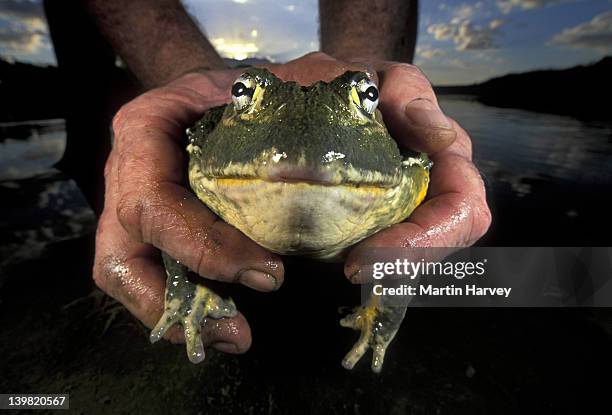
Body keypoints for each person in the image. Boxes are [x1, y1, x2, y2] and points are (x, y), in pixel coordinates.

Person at [48, 0, 491, 355]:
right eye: (243, 92)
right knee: (94, 149)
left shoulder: (400, 161)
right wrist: (186, 279)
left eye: (367, 98)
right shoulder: (201, 141)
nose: (301, 157)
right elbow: (173, 196)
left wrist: (355, 70)